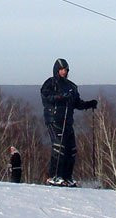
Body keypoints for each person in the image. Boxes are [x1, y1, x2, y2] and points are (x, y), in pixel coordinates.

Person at [40, 58, 97, 187]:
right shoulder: (50, 83)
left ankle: (67, 176)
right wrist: (60, 97)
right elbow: (46, 97)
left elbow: (77, 103)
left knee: (71, 149)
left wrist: (89, 104)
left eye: (65, 70)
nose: (63, 72)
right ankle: (54, 175)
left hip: (67, 120)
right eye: (61, 70)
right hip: (54, 119)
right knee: (59, 147)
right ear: (56, 70)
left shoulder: (71, 86)